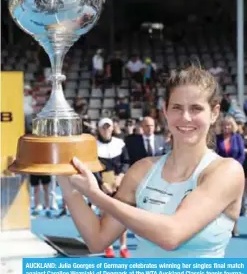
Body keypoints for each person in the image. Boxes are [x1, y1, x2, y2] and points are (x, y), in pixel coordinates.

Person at [57, 66, 244, 258]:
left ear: (214, 113)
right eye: (177, 108)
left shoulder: (227, 171)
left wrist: (96, 196)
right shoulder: (142, 170)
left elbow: (172, 235)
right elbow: (97, 240)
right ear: (165, 111)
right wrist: (67, 182)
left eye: (196, 108)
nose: (186, 117)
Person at [92, 118, 130, 258]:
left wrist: (120, 176)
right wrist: (102, 183)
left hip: (119, 183)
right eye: (103, 127)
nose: (106, 130)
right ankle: (108, 246)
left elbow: (126, 162)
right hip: (104, 185)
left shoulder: (120, 144)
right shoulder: (93, 146)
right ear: (99, 129)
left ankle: (123, 247)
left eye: (108, 127)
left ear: (112, 128)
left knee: (122, 216)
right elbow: (93, 167)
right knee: (105, 215)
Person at [216, 115, 246, 236]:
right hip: (220, 173)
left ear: (232, 126)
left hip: (236, 173)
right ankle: (223, 227)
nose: (226, 127)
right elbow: (215, 153)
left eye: (228, 125)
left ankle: (234, 226)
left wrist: (234, 167)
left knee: (234, 201)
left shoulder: (237, 137)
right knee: (221, 201)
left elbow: (242, 155)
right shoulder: (217, 138)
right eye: (224, 125)